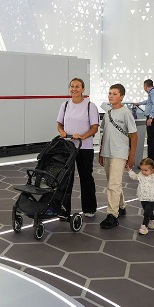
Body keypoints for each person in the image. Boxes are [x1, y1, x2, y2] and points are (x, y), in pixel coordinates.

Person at [57, 78, 100, 218]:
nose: (74, 89)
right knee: (65, 179)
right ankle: (63, 210)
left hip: (84, 148)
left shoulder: (90, 106)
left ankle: (89, 208)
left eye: (77, 86)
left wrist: (82, 136)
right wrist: (62, 132)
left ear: (83, 89)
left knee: (86, 177)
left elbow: (94, 127)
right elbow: (60, 123)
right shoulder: (65, 105)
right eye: (72, 86)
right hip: (68, 147)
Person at [98, 84, 138, 229]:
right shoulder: (107, 113)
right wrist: (101, 152)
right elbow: (104, 134)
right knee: (113, 182)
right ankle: (121, 206)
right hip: (107, 152)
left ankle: (112, 215)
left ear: (121, 97)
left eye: (114, 94)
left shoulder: (126, 113)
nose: (111, 96)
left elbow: (134, 135)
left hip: (120, 153)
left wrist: (131, 156)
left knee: (113, 184)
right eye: (110, 93)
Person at [128, 158, 154, 235]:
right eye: (142, 169)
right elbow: (134, 176)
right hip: (142, 197)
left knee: (146, 213)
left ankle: (144, 227)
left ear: (152, 170)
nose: (143, 172)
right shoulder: (140, 175)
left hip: (152, 198)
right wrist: (129, 170)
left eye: (146, 170)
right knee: (147, 211)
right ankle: (153, 220)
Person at [136, 79, 154, 170]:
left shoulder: (153, 92)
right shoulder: (153, 92)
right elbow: (149, 102)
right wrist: (139, 103)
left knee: (151, 141)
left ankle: (149, 164)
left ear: (145, 86)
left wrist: (151, 117)